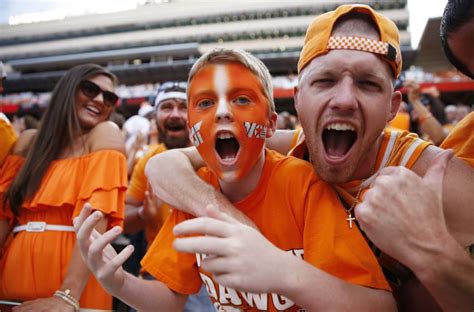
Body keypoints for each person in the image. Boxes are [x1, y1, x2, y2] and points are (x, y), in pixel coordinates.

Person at [144, 4, 474, 311]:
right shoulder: (291, 146)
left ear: (392, 107)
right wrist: (239, 228)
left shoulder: (441, 180)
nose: (344, 100)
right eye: (325, 81)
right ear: (299, 101)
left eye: (367, 84)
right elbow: (165, 165)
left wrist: (430, 251)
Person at [74, 48, 394, 311]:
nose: (222, 113)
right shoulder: (194, 192)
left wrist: (283, 271)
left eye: (241, 99)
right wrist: (118, 283)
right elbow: (171, 299)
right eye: (205, 103)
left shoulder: (303, 183)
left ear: (270, 124)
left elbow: (380, 306)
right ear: (191, 128)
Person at [0, 64, 127, 310]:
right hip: (8, 292)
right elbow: (3, 220)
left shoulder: (104, 134)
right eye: (90, 89)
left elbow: (95, 222)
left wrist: (67, 296)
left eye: (109, 97)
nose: (100, 100)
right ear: (68, 90)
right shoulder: (27, 142)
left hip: (75, 296)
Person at [123, 81, 213, 311]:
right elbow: (124, 216)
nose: (175, 114)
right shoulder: (148, 161)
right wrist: (143, 214)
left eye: (183, 107)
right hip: (162, 273)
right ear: (156, 117)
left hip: (212, 279)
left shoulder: (217, 156)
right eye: (167, 107)